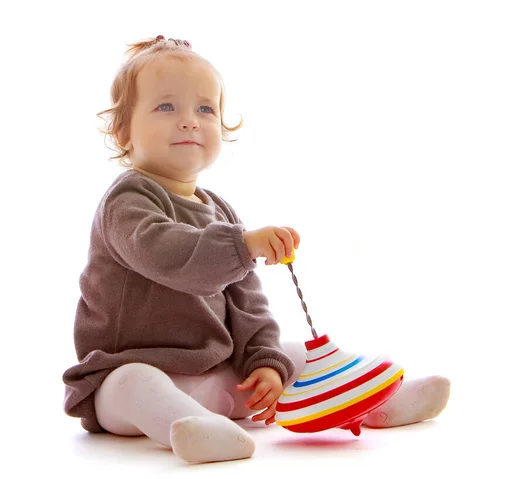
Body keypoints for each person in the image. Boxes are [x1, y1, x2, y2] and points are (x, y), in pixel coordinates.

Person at [62, 35, 452, 465]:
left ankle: (374, 403)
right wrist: (243, 244)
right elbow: (168, 255)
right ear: (123, 131)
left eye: (205, 109)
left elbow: (247, 303)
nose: (190, 121)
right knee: (132, 383)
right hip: (133, 379)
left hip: (219, 378)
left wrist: (264, 362)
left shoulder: (219, 210)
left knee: (295, 351)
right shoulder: (127, 201)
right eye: (166, 107)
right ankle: (195, 430)